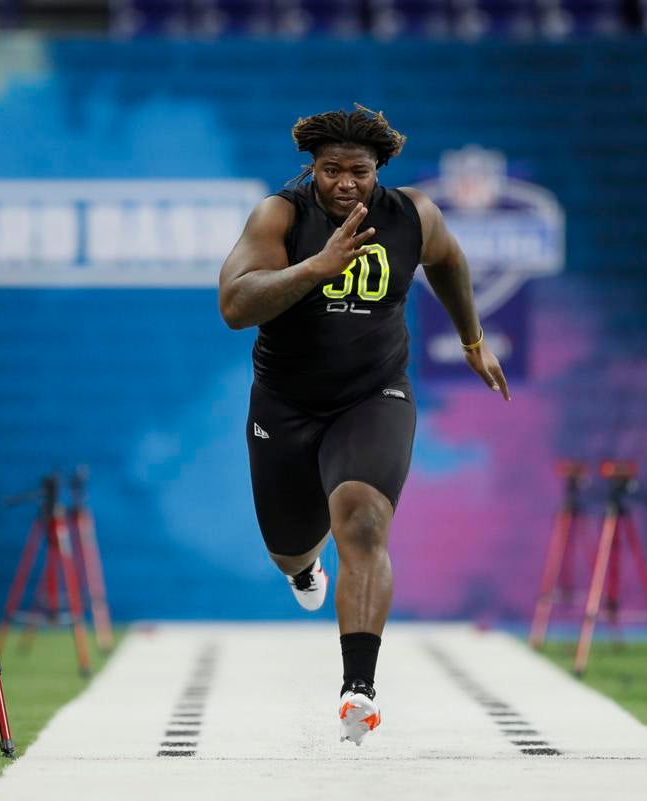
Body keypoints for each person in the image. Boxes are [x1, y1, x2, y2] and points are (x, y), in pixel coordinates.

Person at [218, 105, 509, 746]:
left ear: (379, 169)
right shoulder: (281, 215)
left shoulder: (413, 215)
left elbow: (451, 262)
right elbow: (234, 306)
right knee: (290, 544)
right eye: (330, 171)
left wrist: (472, 339)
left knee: (362, 521)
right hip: (286, 404)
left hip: (372, 395)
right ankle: (302, 570)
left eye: (358, 171)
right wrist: (313, 269)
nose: (345, 183)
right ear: (310, 169)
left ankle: (359, 689)